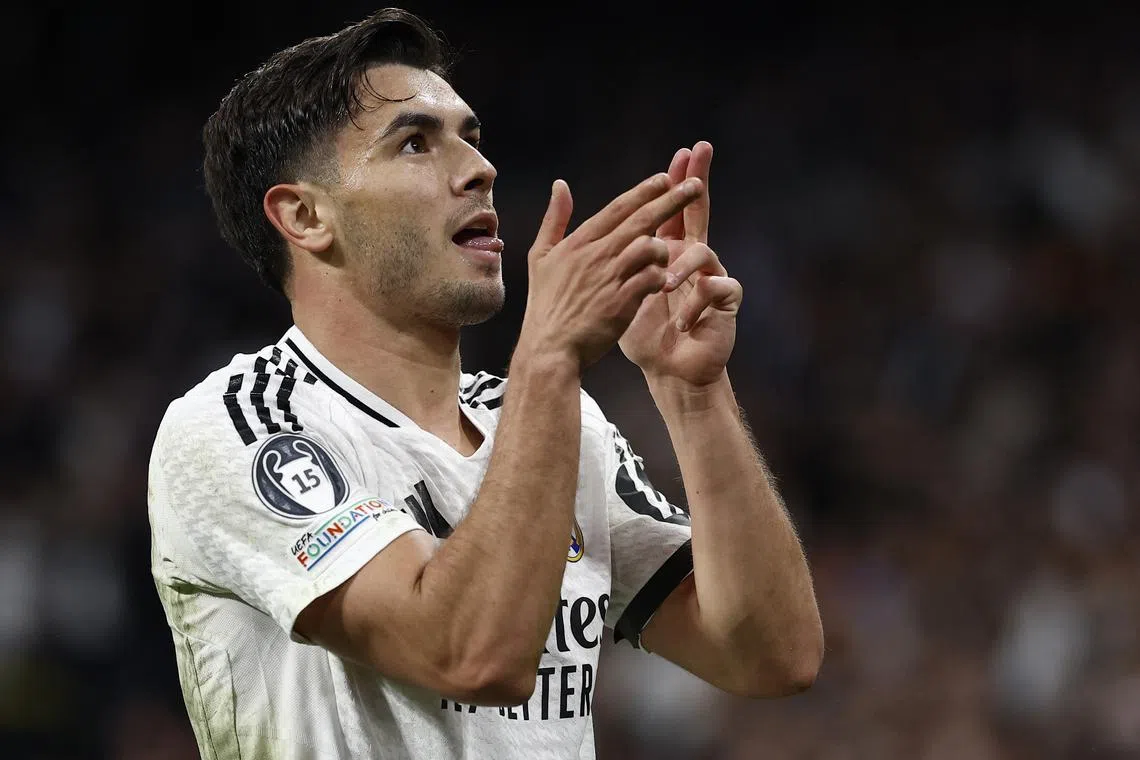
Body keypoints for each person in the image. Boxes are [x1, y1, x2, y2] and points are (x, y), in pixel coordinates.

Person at [147, 7, 824, 759]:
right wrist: (550, 358)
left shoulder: (550, 421)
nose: (480, 168)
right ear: (305, 215)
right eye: (414, 143)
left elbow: (770, 655)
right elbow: (470, 656)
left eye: (470, 136)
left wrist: (692, 393)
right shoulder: (239, 426)